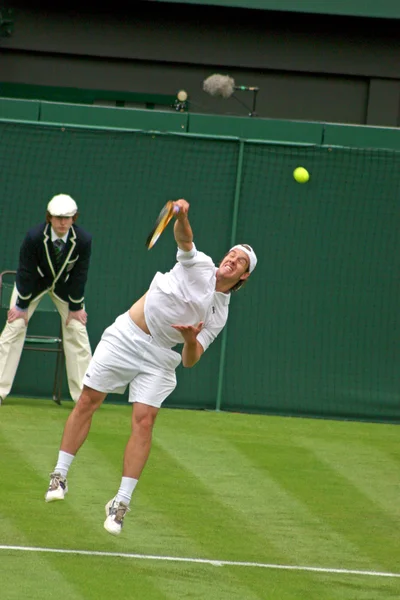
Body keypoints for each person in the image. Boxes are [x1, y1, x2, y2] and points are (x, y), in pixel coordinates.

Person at [44, 198, 257, 536]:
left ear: (244, 276)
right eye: (231, 254)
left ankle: (120, 503)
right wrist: (182, 214)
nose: (231, 259)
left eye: (240, 261)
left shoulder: (220, 313)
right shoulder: (199, 264)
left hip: (161, 356)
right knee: (87, 401)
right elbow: (184, 239)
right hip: (126, 336)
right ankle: (60, 474)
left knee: (145, 421)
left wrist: (189, 340)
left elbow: (191, 360)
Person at [0, 194, 92, 406]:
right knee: (15, 326)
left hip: (65, 288)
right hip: (32, 286)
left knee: (77, 329)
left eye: (67, 218)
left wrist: (76, 307)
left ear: (74, 218)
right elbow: (25, 272)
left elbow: (80, 274)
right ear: (49, 217)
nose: (62, 222)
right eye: (58, 217)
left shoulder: (84, 240)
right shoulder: (33, 237)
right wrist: (21, 306)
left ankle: (83, 398)